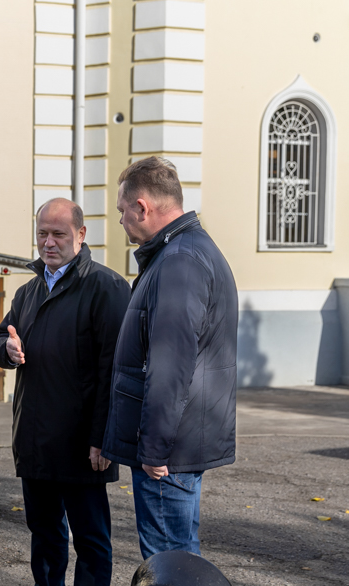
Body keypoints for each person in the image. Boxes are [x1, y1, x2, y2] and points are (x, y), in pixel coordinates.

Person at [0, 198, 130, 586]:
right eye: (43, 234)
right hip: (36, 436)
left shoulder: (106, 288)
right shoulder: (28, 292)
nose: (49, 243)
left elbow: (115, 369)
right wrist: (4, 349)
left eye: (59, 235)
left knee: (91, 538)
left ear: (82, 235)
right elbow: (1, 338)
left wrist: (105, 436)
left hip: (82, 442)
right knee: (44, 530)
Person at [103, 156, 238, 561]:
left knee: (170, 568)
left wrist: (155, 449)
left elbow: (171, 365)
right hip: (177, 444)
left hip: (168, 452)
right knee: (179, 559)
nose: (122, 221)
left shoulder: (179, 261)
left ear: (142, 207)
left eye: (122, 211)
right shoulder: (181, 252)